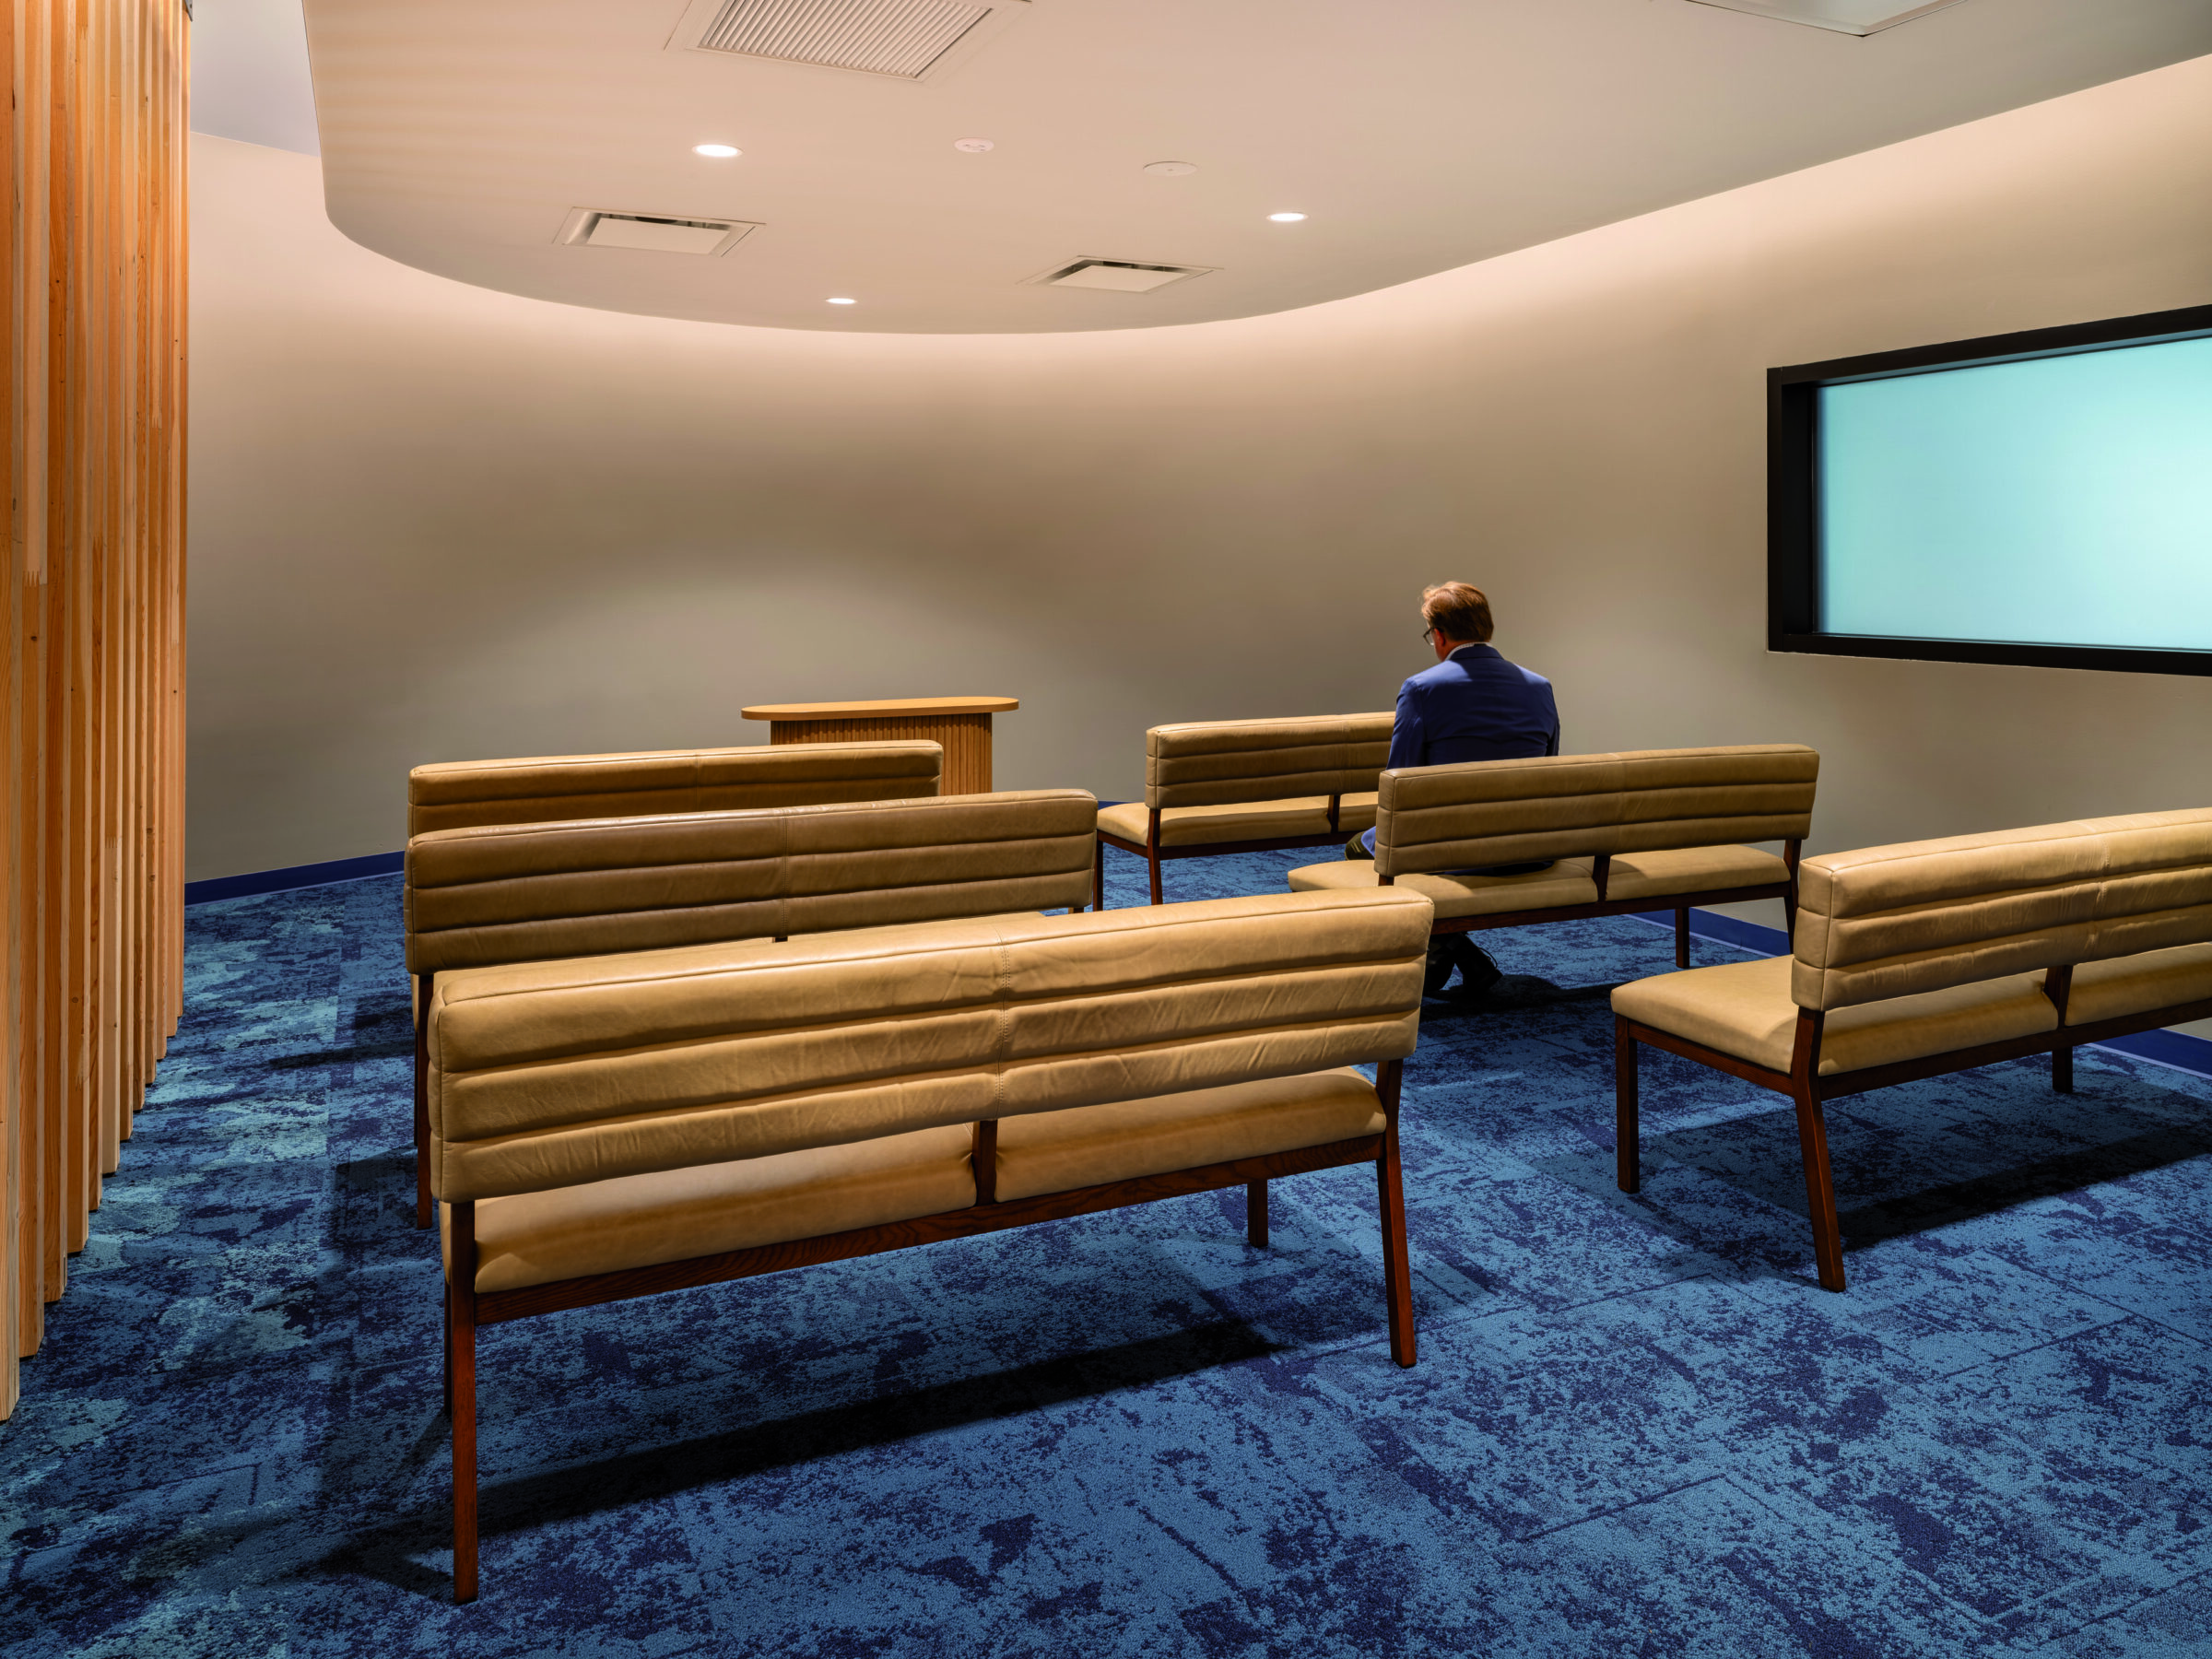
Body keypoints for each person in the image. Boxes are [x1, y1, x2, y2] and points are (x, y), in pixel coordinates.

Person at [1350, 582, 1560, 999]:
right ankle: (1468, 959)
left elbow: (1401, 782)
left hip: (1459, 848)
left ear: (1440, 636)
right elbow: (1548, 767)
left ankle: (1443, 948)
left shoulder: (1423, 689)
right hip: (1530, 848)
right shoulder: (1540, 686)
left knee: (1358, 848)